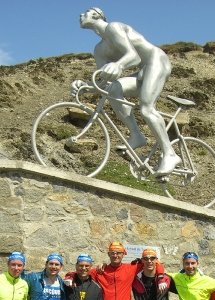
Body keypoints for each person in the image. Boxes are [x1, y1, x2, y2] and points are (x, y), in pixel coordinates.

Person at [73, 7, 181, 176]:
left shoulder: (113, 27)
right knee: (112, 88)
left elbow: (134, 56)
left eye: (85, 12)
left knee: (146, 108)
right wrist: (85, 86)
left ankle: (170, 154)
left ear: (96, 15)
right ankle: (137, 136)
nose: (80, 15)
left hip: (156, 62)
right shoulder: (99, 49)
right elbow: (103, 82)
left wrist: (118, 65)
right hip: (141, 72)